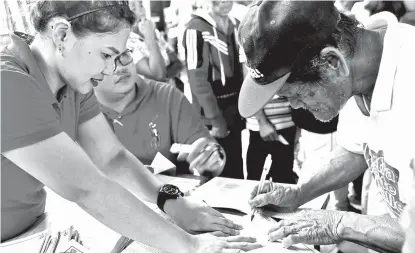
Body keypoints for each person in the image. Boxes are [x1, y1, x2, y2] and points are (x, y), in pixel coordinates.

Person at [1, 1, 263, 252]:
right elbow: (86, 187)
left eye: (119, 57)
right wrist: (191, 245)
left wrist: (171, 199)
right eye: (106, 55)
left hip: (32, 229)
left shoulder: (74, 80)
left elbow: (112, 157)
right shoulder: (8, 82)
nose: (111, 68)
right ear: (61, 34)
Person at [238, 1, 414, 252]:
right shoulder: (358, 69)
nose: (296, 106)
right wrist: (299, 193)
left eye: (298, 94)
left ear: (333, 62)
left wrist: (339, 222)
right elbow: (355, 150)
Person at [94, 53, 225, 177]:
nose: (120, 67)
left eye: (123, 55)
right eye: (107, 60)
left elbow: (206, 147)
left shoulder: (167, 96)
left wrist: (212, 158)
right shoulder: (77, 110)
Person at [183, 0, 245, 179]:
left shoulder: (237, 24)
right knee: (216, 171)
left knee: (236, 168)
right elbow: (197, 79)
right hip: (210, 114)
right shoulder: (195, 28)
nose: (225, 3)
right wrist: (215, 119)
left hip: (234, 110)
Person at [245, 96, 297, 184]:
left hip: (288, 123)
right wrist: (262, 121)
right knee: (256, 181)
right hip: (262, 127)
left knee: (284, 180)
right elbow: (250, 90)